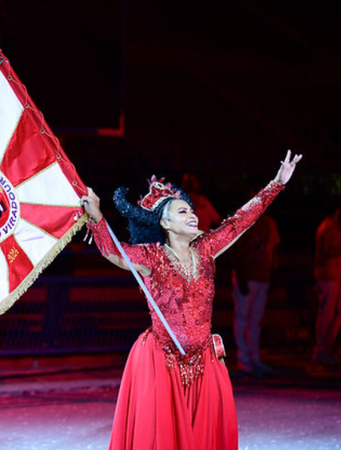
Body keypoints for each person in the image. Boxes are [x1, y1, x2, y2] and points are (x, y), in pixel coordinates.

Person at [80, 150, 301, 450]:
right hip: (162, 363)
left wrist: (276, 183)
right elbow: (114, 251)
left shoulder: (206, 250)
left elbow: (240, 222)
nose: (192, 214)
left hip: (205, 363)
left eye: (191, 210)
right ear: (166, 224)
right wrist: (97, 217)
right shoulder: (152, 257)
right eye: (182, 212)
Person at [230, 208, 280, 374]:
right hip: (247, 276)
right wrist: (241, 275)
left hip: (262, 276)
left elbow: (273, 249)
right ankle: (243, 359)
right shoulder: (245, 220)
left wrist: (272, 273)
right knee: (243, 318)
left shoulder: (269, 223)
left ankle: (254, 357)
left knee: (255, 321)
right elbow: (236, 250)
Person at [313, 198, 341, 367]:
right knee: (327, 314)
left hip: (335, 276)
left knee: (337, 314)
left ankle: (327, 347)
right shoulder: (327, 228)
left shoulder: (334, 227)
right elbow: (328, 251)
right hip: (327, 277)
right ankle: (321, 350)